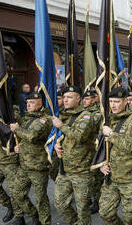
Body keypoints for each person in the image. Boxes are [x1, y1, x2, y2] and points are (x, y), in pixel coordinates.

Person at [98, 87, 132, 225]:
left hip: (130, 177)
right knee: (105, 213)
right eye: (111, 101)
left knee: (130, 218)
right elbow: (100, 145)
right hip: (111, 176)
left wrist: (111, 134)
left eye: (117, 101)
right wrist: (101, 163)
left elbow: (130, 146)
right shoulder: (108, 119)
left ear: (125, 101)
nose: (113, 105)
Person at [52, 86, 97, 225]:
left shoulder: (86, 116)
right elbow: (58, 136)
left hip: (81, 170)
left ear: (78, 99)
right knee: (60, 204)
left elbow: (78, 136)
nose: (65, 100)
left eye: (69, 97)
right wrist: (56, 144)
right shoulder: (62, 115)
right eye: (64, 97)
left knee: (82, 209)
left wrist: (61, 126)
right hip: (64, 169)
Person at [10, 92, 52, 225]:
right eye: (27, 102)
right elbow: (25, 139)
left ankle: (45, 222)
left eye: (32, 102)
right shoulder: (27, 118)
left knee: (40, 199)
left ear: (40, 104)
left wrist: (17, 129)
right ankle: (33, 214)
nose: (28, 105)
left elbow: (32, 136)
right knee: (17, 193)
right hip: (24, 166)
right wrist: (19, 146)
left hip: (38, 167)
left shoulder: (45, 120)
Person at [0, 121, 37, 225]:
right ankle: (11, 207)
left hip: (11, 161)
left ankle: (23, 215)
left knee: (14, 192)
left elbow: (8, 132)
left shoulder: (11, 111)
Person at [82, 90, 102, 214]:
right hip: (84, 151)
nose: (85, 101)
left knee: (96, 179)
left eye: (88, 99)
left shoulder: (97, 113)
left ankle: (97, 201)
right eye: (84, 99)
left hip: (94, 150)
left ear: (94, 99)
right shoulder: (82, 111)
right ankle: (89, 198)